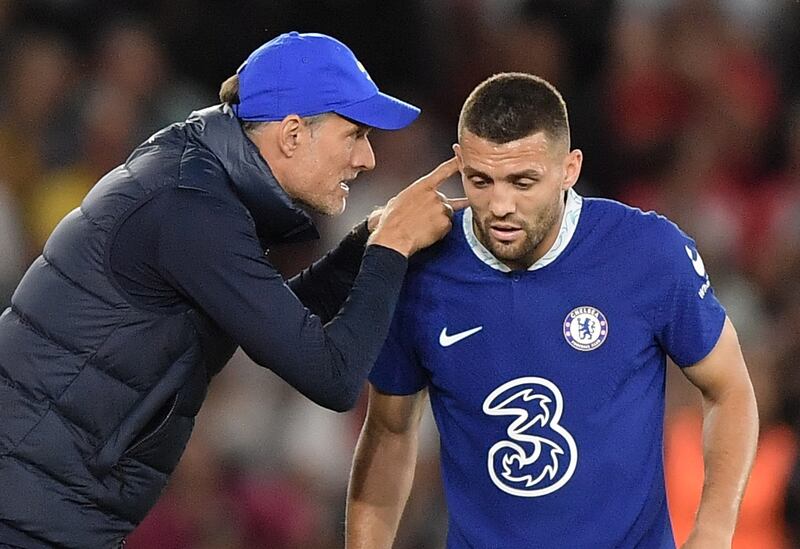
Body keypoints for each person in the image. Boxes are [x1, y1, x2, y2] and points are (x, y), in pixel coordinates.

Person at [0, 31, 464, 548]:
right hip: (26, 502)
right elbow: (333, 377)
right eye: (354, 134)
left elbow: (278, 327)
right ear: (292, 135)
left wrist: (366, 242)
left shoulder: (201, 181)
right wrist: (390, 250)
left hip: (43, 500)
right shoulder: (191, 207)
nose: (368, 159)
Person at [346, 72, 759, 548]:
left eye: (523, 182)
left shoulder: (647, 253)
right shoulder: (422, 270)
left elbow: (730, 390)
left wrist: (713, 529)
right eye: (480, 180)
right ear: (458, 163)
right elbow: (390, 433)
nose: (500, 205)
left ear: (569, 168)